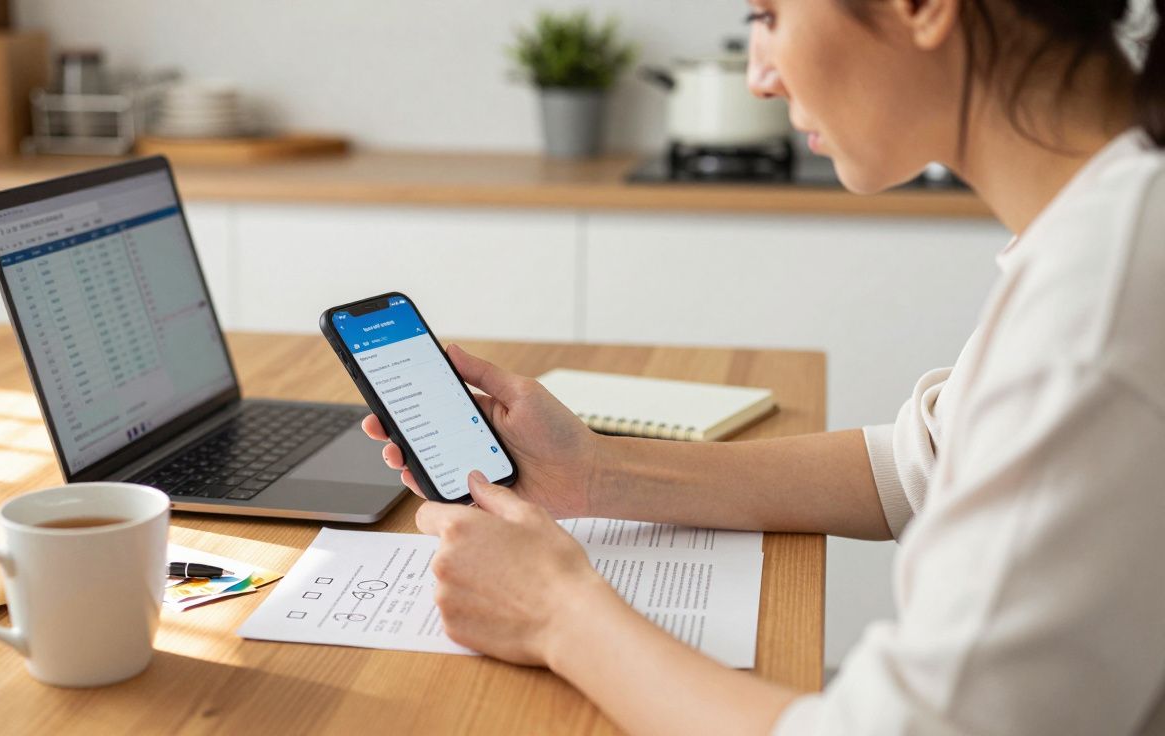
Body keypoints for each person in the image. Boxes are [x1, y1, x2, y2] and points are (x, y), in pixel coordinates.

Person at [362, 0, 1165, 732]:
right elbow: (921, 464)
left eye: (770, 14)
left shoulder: (1096, 309)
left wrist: (555, 612)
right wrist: (595, 473)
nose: (758, 76)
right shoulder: (1107, 226)